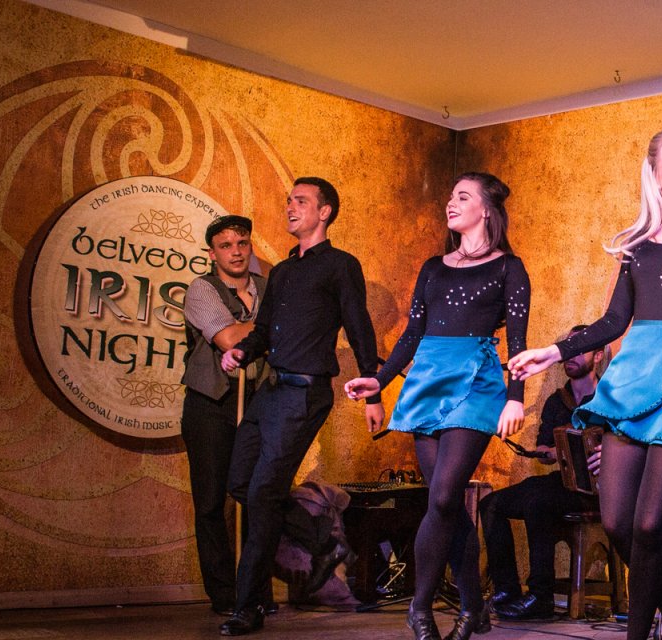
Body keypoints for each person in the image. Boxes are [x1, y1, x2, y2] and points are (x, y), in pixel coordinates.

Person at [510, 128, 662, 640]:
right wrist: (553, 351)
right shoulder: (635, 245)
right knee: (619, 520)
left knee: (651, 527)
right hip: (632, 379)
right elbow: (612, 322)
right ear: (654, 176)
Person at [344, 172, 530, 640]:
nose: (450, 203)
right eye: (449, 196)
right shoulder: (433, 267)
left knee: (445, 496)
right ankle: (473, 609)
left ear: (485, 209)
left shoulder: (510, 267)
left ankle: (420, 607)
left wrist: (516, 398)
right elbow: (412, 334)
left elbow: (521, 344)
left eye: (462, 196)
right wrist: (379, 382)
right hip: (428, 377)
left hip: (476, 382)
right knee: (444, 507)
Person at [217, 177, 384, 636]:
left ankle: (248, 606)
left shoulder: (341, 266)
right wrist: (241, 352)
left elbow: (359, 329)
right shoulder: (285, 272)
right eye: (289, 200)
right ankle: (321, 540)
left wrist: (373, 393)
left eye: (301, 201)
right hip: (271, 393)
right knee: (240, 485)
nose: (290, 206)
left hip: (305, 393)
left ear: (325, 212)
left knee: (262, 493)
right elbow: (265, 330)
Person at [480, 326, 605, 621]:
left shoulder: (610, 398)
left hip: (598, 492)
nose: (570, 354)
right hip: (561, 485)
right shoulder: (555, 402)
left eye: (580, 348)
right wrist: (550, 451)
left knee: (538, 500)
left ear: (598, 356)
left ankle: (541, 596)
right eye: (568, 347)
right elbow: (544, 448)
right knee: (491, 504)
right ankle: (506, 590)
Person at [181, 215, 266, 616]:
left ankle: (255, 591)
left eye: (242, 243)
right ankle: (223, 594)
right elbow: (229, 338)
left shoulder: (268, 288)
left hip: (259, 404)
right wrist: (269, 330)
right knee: (212, 501)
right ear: (213, 252)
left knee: (258, 498)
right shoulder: (202, 289)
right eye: (227, 245)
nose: (236, 251)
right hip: (211, 405)